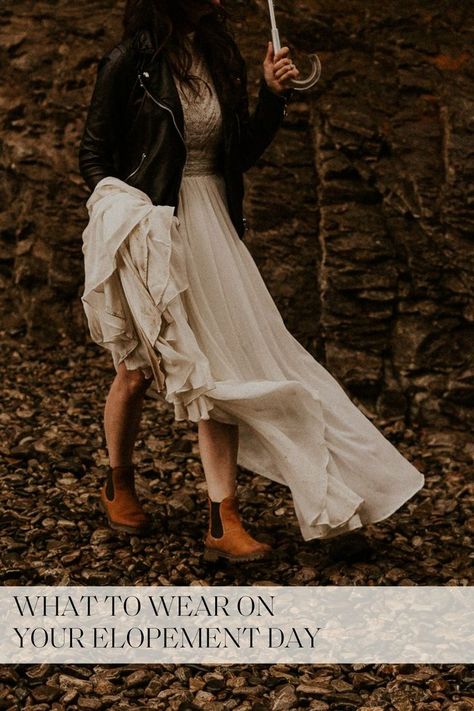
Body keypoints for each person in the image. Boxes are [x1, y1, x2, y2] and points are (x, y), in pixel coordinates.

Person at [79, 0, 425, 563]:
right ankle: (118, 482)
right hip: (150, 226)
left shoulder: (218, 56)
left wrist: (272, 94)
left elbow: (236, 154)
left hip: (213, 225)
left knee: (222, 369)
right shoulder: (130, 61)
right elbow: (93, 154)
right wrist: (121, 214)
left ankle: (223, 518)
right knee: (136, 372)